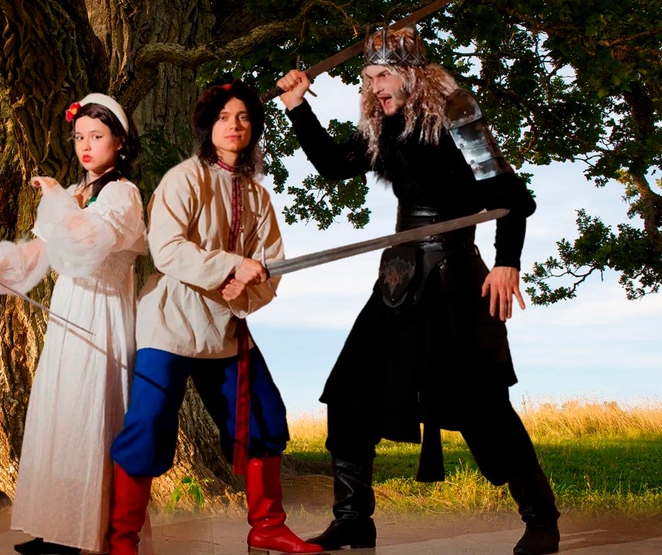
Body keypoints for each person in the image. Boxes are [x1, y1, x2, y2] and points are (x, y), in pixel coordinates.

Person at [276, 28, 560, 555]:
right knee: (350, 392)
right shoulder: (385, 127)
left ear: (410, 75)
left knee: (484, 406)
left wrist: (507, 263)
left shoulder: (455, 113)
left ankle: (541, 518)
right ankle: (352, 519)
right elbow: (334, 166)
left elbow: (512, 197)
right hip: (398, 281)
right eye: (368, 78)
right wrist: (297, 105)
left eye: (383, 75)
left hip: (455, 278)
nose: (374, 86)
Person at [105, 80, 323, 555]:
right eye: (224, 117)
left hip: (226, 328)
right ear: (208, 126)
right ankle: (122, 541)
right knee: (147, 425)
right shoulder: (183, 178)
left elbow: (271, 265)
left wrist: (246, 287)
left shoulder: (259, 196)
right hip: (170, 323)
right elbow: (166, 249)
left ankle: (267, 526)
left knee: (265, 417)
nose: (234, 126)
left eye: (243, 117)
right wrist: (231, 266)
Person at [0, 93, 148, 555]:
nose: (85, 145)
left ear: (119, 142)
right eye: (79, 136)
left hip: (102, 315)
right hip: (69, 313)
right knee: (63, 415)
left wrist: (56, 200)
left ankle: (90, 530)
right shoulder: (74, 193)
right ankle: (58, 527)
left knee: (91, 415)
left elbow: (88, 241)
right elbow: (38, 252)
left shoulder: (122, 194)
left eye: (96, 136)